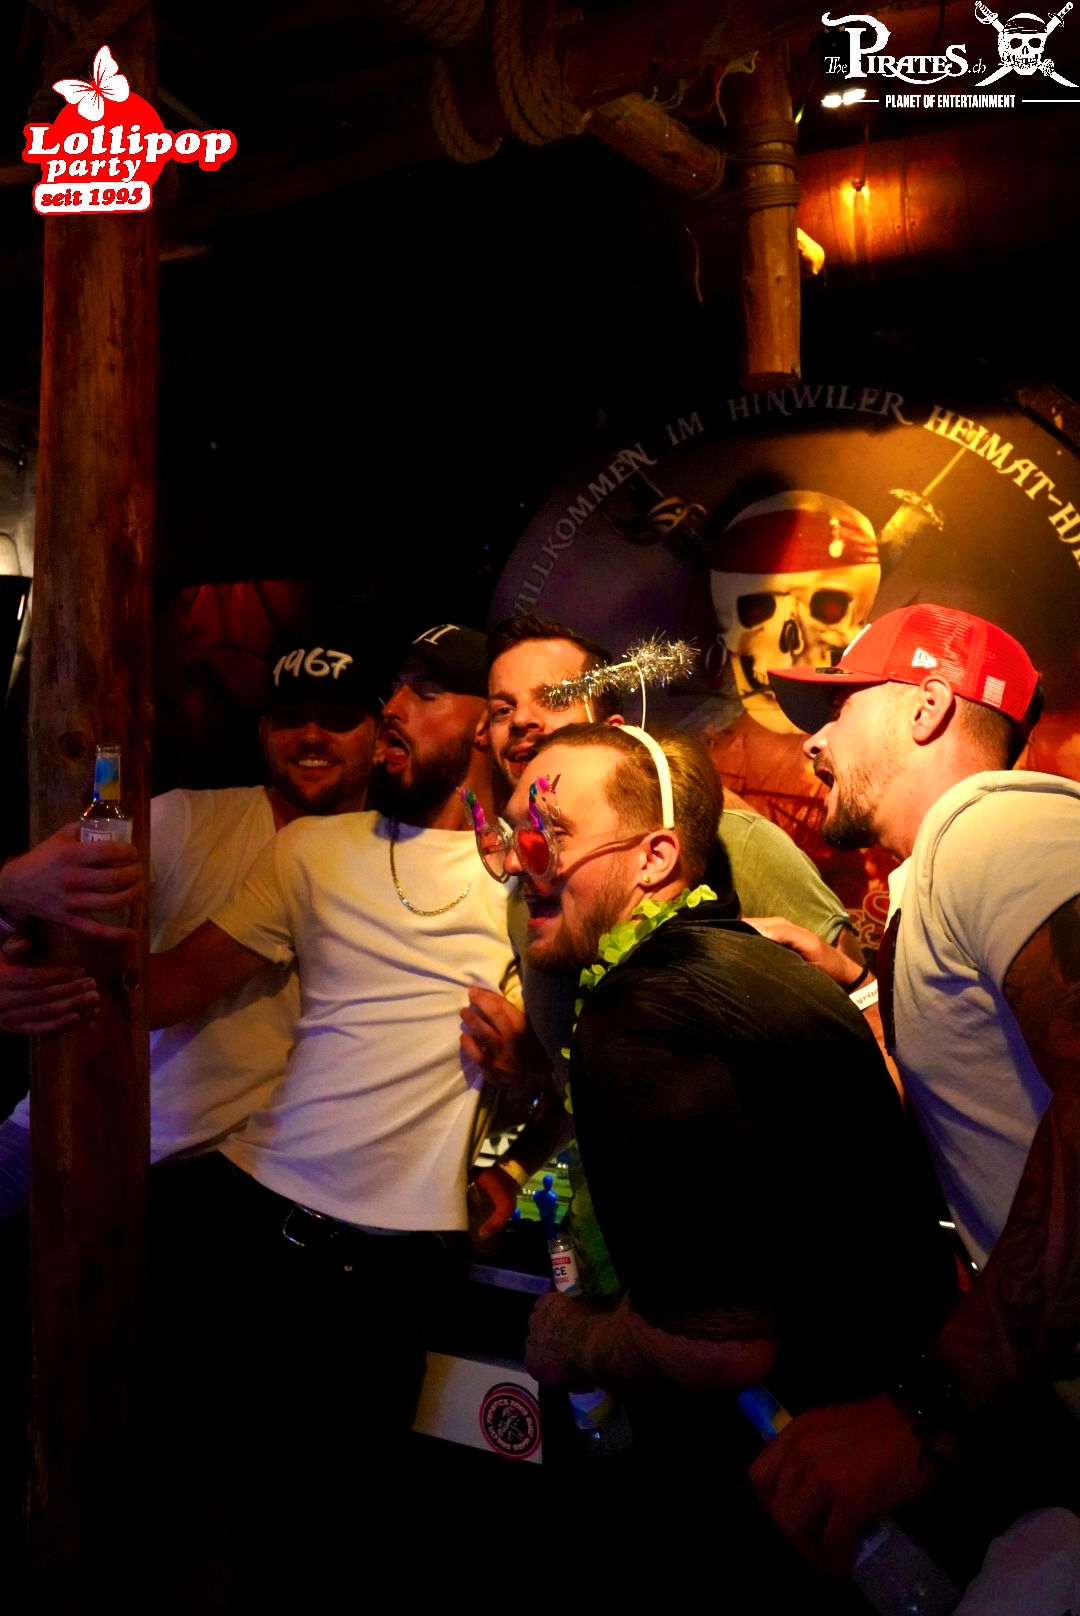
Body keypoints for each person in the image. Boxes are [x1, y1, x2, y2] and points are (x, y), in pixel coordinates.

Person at [509, 721, 955, 1596]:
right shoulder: (751, 956)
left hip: (812, 1495)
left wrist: (573, 1338)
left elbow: (719, 1346)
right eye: (512, 834)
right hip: (891, 1442)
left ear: (655, 857)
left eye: (551, 833)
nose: (522, 863)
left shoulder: (639, 1011)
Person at [141, 623, 513, 1577]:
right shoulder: (313, 847)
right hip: (254, 1218)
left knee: (345, 1530)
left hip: (403, 1262)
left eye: (426, 692)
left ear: (487, 724)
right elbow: (166, 991)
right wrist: (29, 947)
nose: (395, 709)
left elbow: (590, 1048)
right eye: (396, 690)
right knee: (194, 1503)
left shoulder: (530, 875)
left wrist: (523, 1133)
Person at [750, 603, 1080, 1574]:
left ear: (929, 705)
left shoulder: (996, 825)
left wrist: (929, 1406)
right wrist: (852, 996)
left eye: (838, 708)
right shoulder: (938, 875)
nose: (812, 743)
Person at [463, 614, 863, 1245]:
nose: (523, 721)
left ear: (615, 729)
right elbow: (601, 1093)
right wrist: (519, 1161)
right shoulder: (533, 890)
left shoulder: (737, 843)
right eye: (503, 707)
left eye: (554, 698)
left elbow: (862, 1033)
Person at [0, 633, 380, 1217]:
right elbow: (52, 909)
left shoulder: (392, 860)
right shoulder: (184, 819)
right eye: (290, 720)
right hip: (63, 1125)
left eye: (337, 720)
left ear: (379, 738)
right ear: (263, 733)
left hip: (231, 1171)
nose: (311, 736)